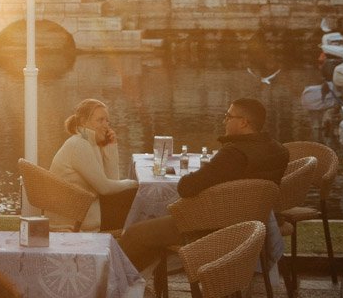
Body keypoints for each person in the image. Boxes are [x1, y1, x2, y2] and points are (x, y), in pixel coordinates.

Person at [116, 96, 288, 272]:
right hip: (254, 225)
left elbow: (186, 187)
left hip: (213, 226)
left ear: (244, 122)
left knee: (135, 234)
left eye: (229, 117)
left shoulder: (233, 154)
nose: (224, 121)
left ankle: (114, 286)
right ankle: (134, 284)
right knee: (151, 239)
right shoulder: (279, 150)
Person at [49, 98, 138, 231]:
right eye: (100, 120)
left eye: (107, 120)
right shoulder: (79, 145)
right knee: (135, 195)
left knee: (133, 199)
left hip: (84, 212)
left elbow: (111, 182)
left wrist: (110, 148)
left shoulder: (90, 143)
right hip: (75, 219)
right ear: (84, 122)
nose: (106, 125)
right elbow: (105, 188)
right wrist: (135, 183)